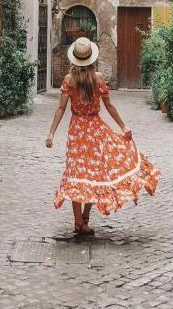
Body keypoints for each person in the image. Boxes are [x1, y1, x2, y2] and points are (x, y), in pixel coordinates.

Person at [46, 36, 161, 235]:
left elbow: (61, 108)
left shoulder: (69, 80)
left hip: (77, 131)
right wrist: (123, 126)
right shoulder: (97, 78)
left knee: (76, 174)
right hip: (96, 129)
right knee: (95, 174)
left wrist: (51, 132)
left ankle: (78, 222)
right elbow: (109, 106)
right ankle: (84, 219)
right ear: (92, 59)